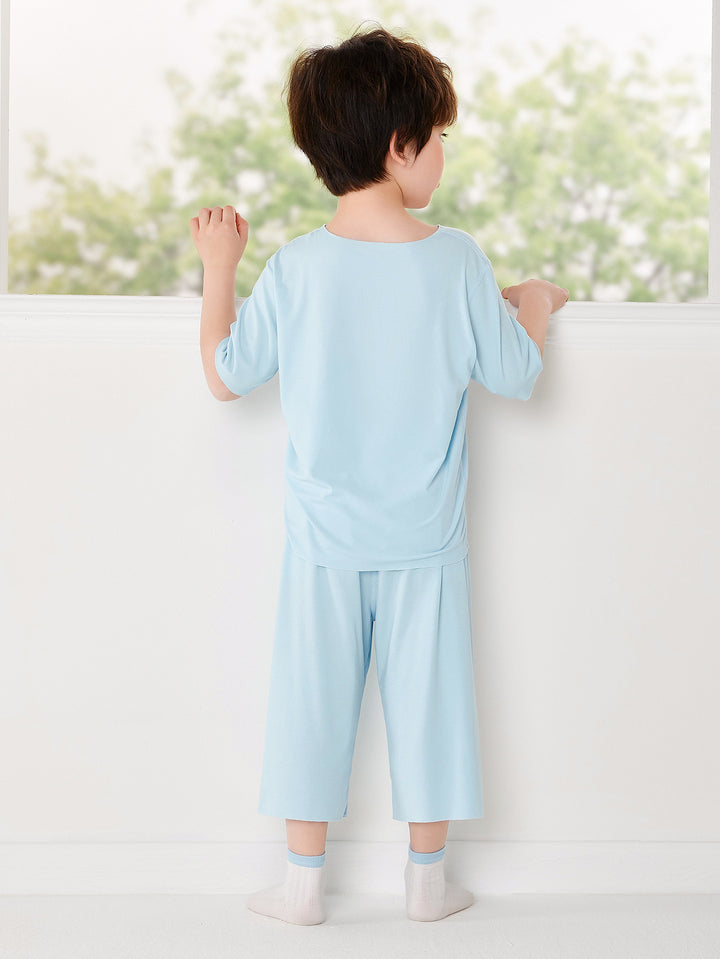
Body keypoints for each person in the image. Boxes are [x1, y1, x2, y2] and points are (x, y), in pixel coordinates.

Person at [190, 23, 568, 926]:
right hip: (424, 539)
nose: (442, 153)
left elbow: (226, 374)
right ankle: (427, 882)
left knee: (310, 702)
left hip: (325, 540)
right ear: (401, 145)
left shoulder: (296, 267)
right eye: (438, 137)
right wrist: (535, 304)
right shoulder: (456, 259)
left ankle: (301, 885)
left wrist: (219, 269)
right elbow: (517, 373)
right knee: (432, 704)